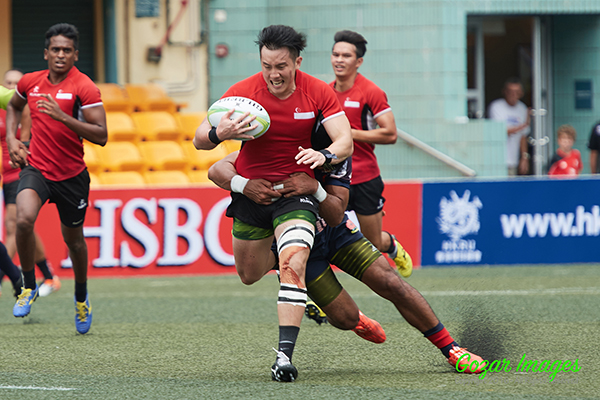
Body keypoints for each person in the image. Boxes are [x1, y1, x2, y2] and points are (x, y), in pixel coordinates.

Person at [209, 150, 486, 379]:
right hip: (305, 251)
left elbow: (334, 213)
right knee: (345, 319)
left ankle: (452, 349)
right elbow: (218, 167)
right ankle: (352, 317)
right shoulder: (275, 147)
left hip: (335, 232)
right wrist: (242, 184)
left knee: (390, 281)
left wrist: (315, 188)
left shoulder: (335, 153)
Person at [193, 25, 353, 382]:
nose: (273, 74)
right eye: (267, 65)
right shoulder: (242, 94)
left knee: (293, 261)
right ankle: (281, 260)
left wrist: (323, 154)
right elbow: (199, 140)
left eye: (280, 66)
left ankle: (284, 356)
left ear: (297, 61)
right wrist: (222, 133)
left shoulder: (317, 92)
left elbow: (345, 141)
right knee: (249, 274)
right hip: (251, 193)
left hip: (295, 195)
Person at [5, 23, 107, 334]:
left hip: (72, 176)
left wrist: (63, 116)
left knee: (73, 242)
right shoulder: (30, 82)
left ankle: (80, 297)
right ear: (46, 52)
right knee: (22, 220)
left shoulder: (85, 87)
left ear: (75, 54)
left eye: (67, 50)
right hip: (37, 169)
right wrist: (12, 140)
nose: (60, 54)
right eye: (55, 49)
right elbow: (13, 105)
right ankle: (27, 286)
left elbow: (102, 135)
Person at [328, 31, 412, 277]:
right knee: (319, 239)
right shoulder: (324, 91)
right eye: (335, 54)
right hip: (332, 176)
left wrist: (348, 134)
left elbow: (390, 134)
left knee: (373, 242)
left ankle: (392, 245)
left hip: (365, 177)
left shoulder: (370, 92)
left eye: (346, 55)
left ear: (358, 61)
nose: (339, 60)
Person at [0, 69, 60, 297]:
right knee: (24, 225)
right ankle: (48, 275)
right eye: (9, 82)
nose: (13, 86)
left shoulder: (29, 108)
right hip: (6, 175)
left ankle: (7, 277)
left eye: (17, 82)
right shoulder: (3, 111)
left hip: (23, 171)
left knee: (14, 224)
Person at [0, 86, 25, 299]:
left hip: (14, 175)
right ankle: (16, 276)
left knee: (17, 225)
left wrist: (22, 140)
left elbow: (26, 105)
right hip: (6, 177)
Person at [487, 77, 531, 176]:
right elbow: (499, 131)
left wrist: (524, 157)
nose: (514, 94)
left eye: (517, 91)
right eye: (510, 91)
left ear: (521, 93)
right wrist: (523, 126)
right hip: (497, 161)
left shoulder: (522, 108)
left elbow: (523, 136)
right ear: (504, 92)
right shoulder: (496, 106)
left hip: (513, 160)